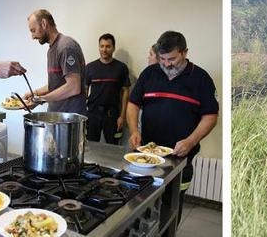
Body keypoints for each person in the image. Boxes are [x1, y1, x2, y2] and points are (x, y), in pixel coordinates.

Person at [127, 31, 218, 218]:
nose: (167, 64)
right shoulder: (149, 74)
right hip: (147, 156)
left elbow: (210, 116)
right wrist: (134, 130)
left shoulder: (201, 79)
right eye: (162, 59)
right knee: (140, 206)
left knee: (170, 209)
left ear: (185, 53)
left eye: (172, 59)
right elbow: (133, 104)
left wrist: (191, 141)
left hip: (179, 158)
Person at [24, 9, 87, 116]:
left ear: (44, 24)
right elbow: (56, 84)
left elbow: (73, 87)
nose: (33, 36)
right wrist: (34, 93)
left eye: (33, 30)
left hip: (69, 119)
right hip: (56, 115)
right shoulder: (52, 49)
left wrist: (41, 100)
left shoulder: (66, 47)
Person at [85, 33, 130, 145]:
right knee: (91, 147)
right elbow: (84, 91)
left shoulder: (121, 68)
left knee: (113, 149)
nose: (104, 49)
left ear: (113, 48)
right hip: (92, 114)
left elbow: (125, 91)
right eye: (102, 46)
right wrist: (83, 114)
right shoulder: (90, 67)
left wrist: (122, 116)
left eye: (108, 46)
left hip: (112, 116)